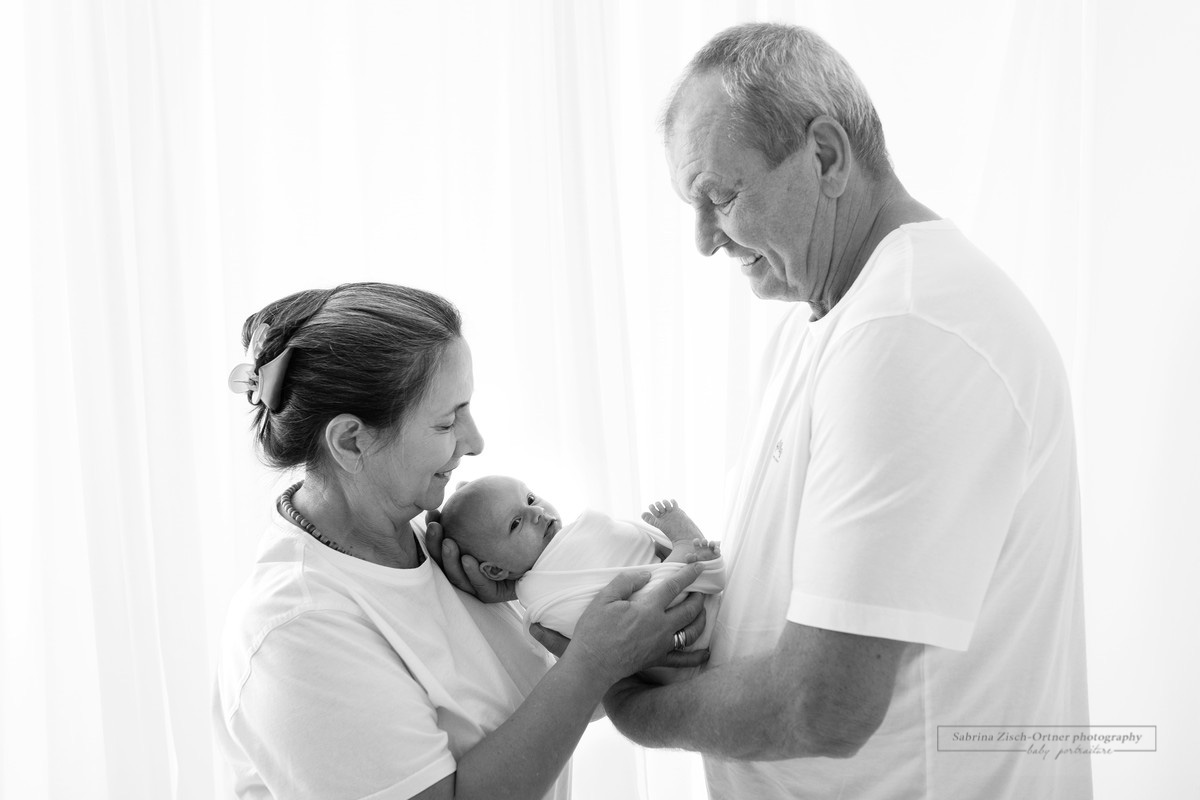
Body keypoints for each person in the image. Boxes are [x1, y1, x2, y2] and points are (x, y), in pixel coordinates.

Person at [441, 23, 1092, 800]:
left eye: (721, 196)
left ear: (825, 155)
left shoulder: (907, 330)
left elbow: (824, 705)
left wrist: (626, 699)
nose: (705, 240)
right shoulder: (831, 319)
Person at [212, 282, 709, 800]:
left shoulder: (448, 549)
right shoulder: (297, 632)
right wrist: (591, 663)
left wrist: (536, 604)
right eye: (448, 421)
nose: (475, 443)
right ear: (350, 440)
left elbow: (539, 716)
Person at [439, 475, 724, 648]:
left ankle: (684, 558)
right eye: (515, 523)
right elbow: (590, 624)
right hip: (657, 624)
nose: (536, 511)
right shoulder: (539, 597)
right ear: (495, 570)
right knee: (638, 609)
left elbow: (624, 553)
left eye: (529, 497)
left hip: (686, 604)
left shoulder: (572, 537)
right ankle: (686, 552)